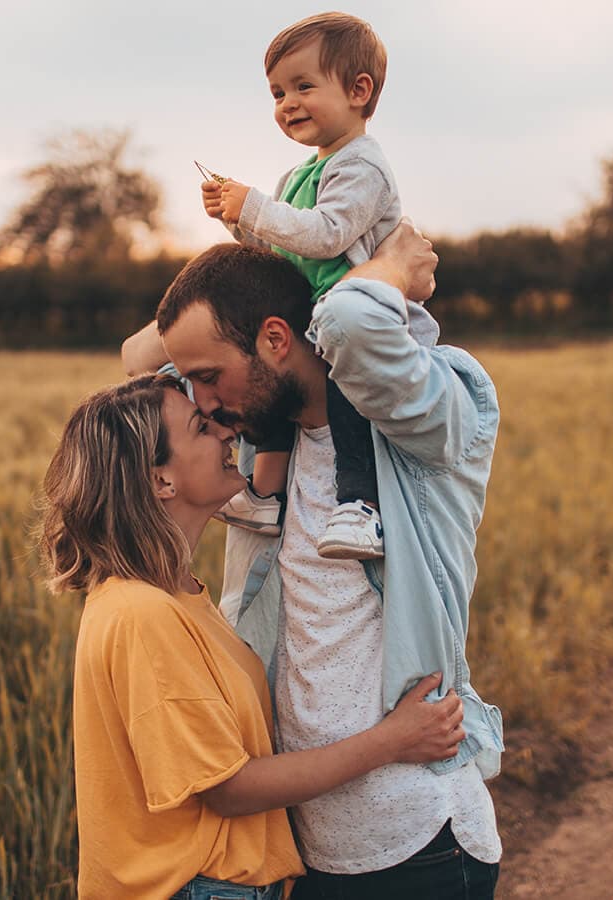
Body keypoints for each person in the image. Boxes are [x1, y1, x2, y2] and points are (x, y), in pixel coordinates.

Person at [124, 221, 505, 898]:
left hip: (420, 844)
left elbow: (355, 322)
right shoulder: (271, 439)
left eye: (209, 377)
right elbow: (137, 359)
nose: (203, 405)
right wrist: (279, 259)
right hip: (311, 848)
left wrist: (385, 265)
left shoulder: (423, 423)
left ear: (276, 339)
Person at [39, 373, 467, 900]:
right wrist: (393, 740)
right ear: (160, 481)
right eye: (201, 428)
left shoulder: (177, 596)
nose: (226, 435)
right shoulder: (141, 614)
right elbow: (230, 788)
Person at [200, 11, 407, 561]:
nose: (286, 104)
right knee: (263, 373)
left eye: (302, 86)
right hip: (311, 316)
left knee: (348, 393)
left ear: (359, 91)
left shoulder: (363, 166)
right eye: (276, 93)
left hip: (359, 320)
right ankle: (266, 492)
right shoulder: (296, 177)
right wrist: (237, 220)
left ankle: (361, 505)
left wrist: (258, 208)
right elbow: (278, 253)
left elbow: (328, 234)